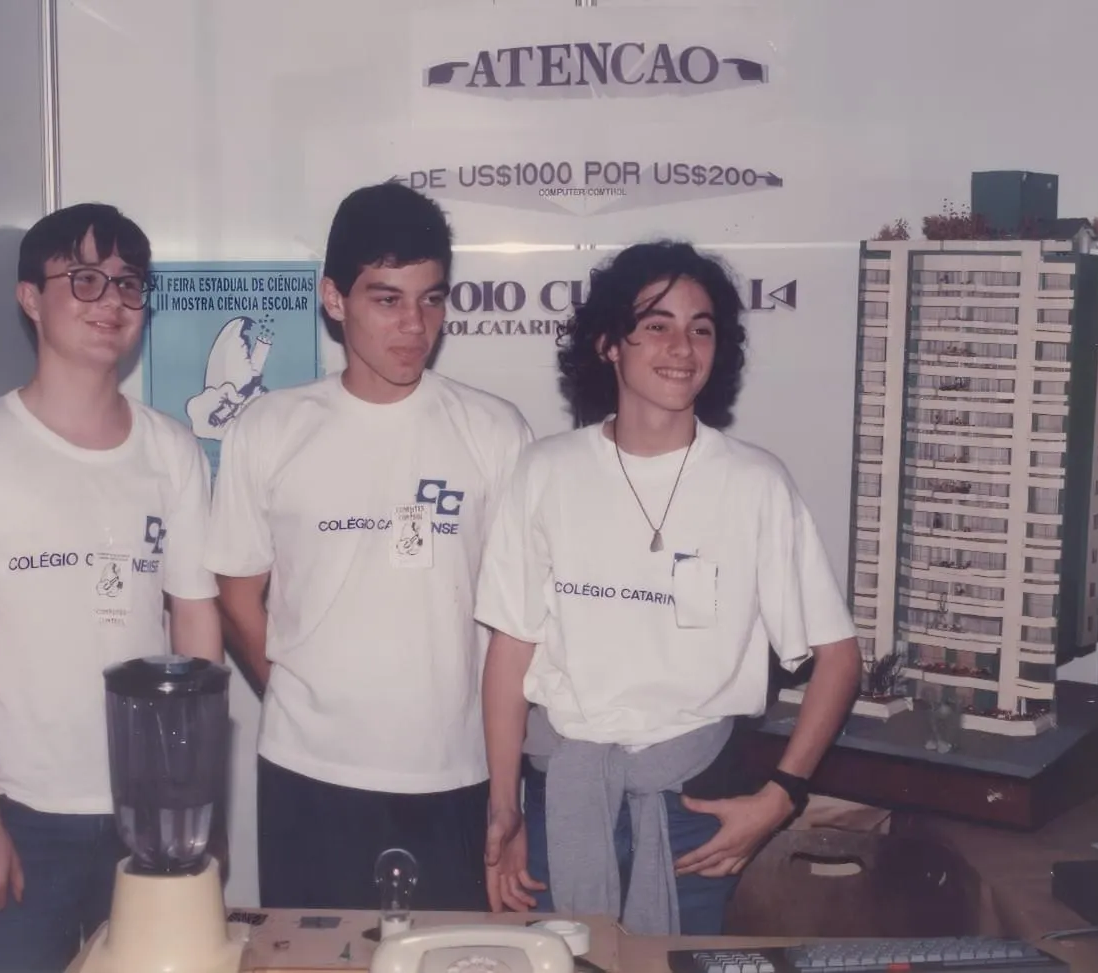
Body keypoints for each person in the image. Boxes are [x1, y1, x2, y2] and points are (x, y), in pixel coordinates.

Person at [477, 241, 861, 936]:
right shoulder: (545, 472)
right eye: (655, 323)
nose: (681, 345)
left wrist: (780, 798)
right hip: (560, 796)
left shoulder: (754, 483)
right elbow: (510, 649)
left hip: (696, 812)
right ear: (607, 344)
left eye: (701, 326)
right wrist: (505, 806)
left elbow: (839, 657)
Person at [0, 203, 223, 973]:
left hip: (148, 819)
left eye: (128, 284)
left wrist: (194, 802)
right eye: (83, 278)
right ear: (28, 297)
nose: (110, 300)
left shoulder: (170, 450)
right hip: (19, 812)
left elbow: (196, 624)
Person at [206, 181, 533, 911]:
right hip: (307, 772)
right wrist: (298, 692)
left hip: (458, 773)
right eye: (386, 298)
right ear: (333, 298)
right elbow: (234, 590)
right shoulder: (270, 427)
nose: (413, 324)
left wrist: (507, 790)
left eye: (431, 298)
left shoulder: (494, 431)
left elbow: (517, 620)